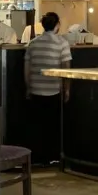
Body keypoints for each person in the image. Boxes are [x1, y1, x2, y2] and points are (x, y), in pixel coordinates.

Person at [24, 12, 72, 165]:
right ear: (57, 25)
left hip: (35, 89)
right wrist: (67, 89)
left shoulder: (33, 43)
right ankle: (52, 157)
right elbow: (66, 68)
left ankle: (38, 158)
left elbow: (27, 68)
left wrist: (28, 87)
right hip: (54, 90)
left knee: (37, 125)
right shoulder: (62, 43)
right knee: (52, 126)